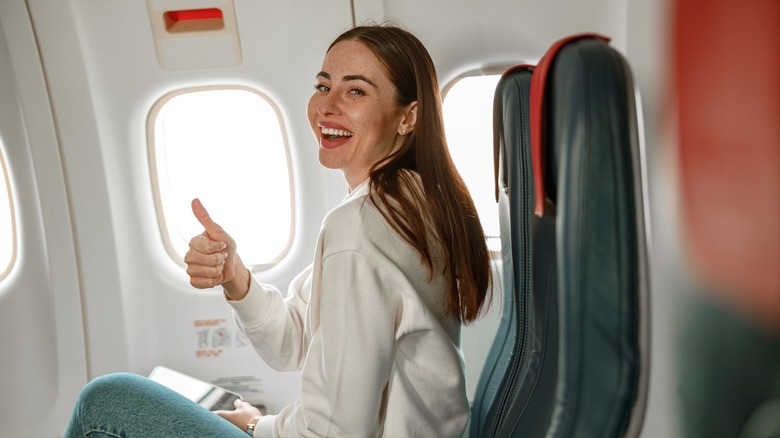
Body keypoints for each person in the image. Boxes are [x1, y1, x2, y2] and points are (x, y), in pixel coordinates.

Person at [64, 24, 491, 437]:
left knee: (105, 402)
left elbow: (334, 433)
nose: (327, 106)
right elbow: (292, 340)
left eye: (355, 90)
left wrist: (254, 425)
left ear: (408, 117)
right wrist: (235, 276)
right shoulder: (411, 204)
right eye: (323, 86)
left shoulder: (362, 227)